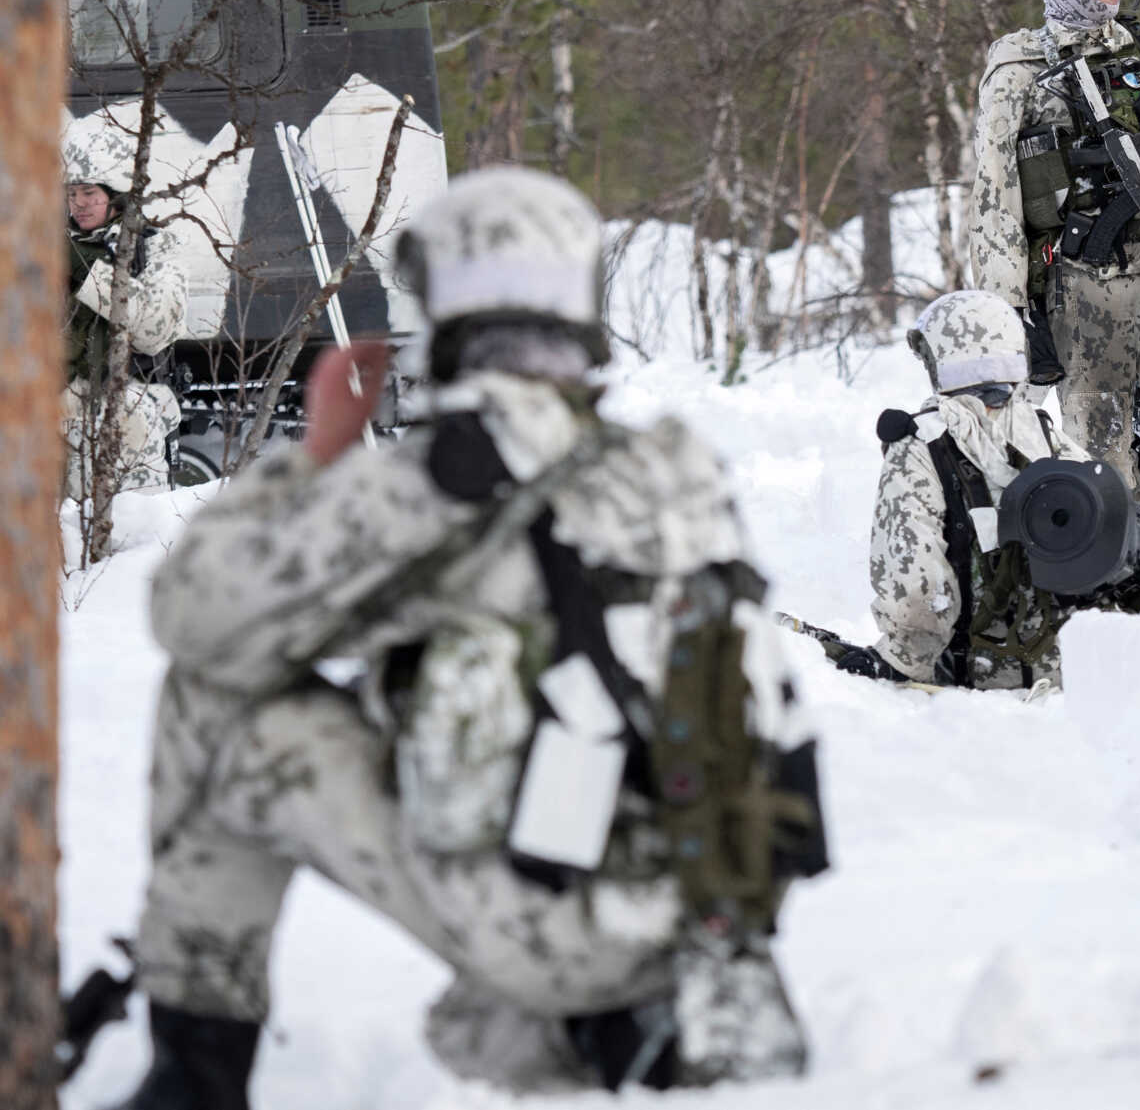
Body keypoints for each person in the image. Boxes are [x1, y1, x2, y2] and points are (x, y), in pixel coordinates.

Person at [112, 167, 824, 1105]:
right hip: (704, 914)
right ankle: (606, 1015)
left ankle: (194, 1075)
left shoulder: (445, 480)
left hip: (553, 921)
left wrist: (313, 459)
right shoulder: (666, 468)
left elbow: (195, 614)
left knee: (214, 700)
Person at [967, 0, 1140, 529]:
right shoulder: (1020, 72)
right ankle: (1117, 567)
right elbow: (994, 198)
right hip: (1081, 288)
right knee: (1099, 440)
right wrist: (1003, 311)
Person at [864, 290, 1140, 689]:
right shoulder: (1041, 431)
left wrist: (898, 663)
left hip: (977, 690)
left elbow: (918, 596)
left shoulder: (919, 445)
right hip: (1076, 679)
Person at [62, 121, 187, 500]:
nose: (78, 203)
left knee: (131, 540)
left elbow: (156, 328)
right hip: (55, 415)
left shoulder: (153, 246)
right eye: (72, 193)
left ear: (116, 196)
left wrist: (83, 270)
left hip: (131, 418)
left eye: (89, 192)